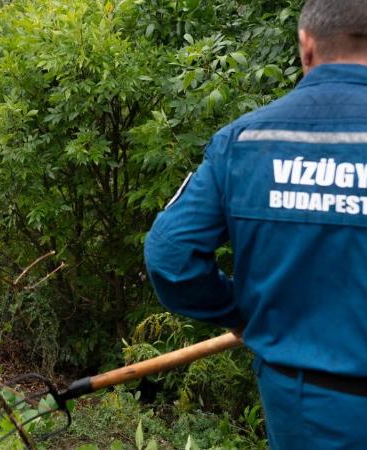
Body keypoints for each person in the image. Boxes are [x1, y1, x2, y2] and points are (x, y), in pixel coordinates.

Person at [144, 1, 367, 448]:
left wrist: (236, 313)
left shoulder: (245, 143)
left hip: (307, 408)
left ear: (306, 46)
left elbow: (170, 256)